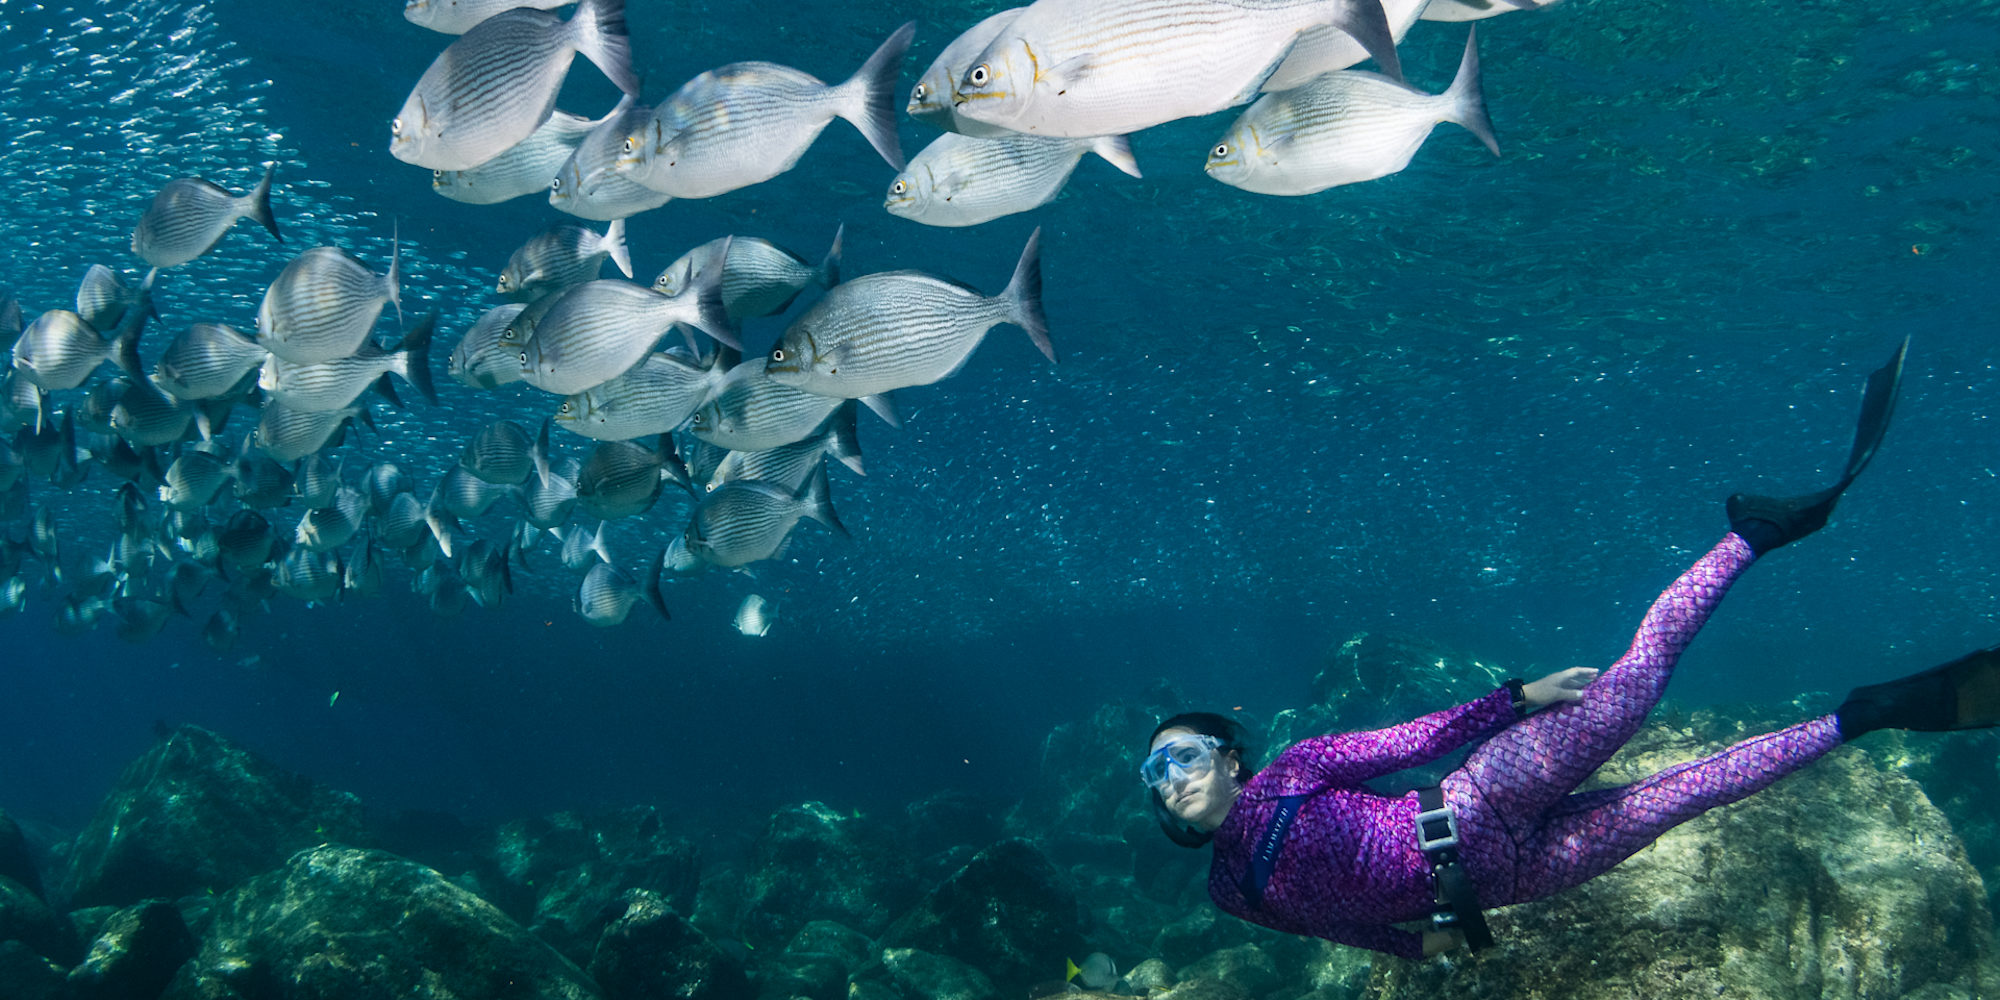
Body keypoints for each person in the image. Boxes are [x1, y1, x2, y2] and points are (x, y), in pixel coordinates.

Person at [1141, 339, 2000, 959]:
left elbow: (1410, 742)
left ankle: (1758, 532)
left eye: (1180, 755)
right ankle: (1869, 715)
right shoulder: (1230, 893)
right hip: (1516, 879)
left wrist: (1518, 698)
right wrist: (1422, 949)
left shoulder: (1293, 771)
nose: (1168, 778)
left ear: (1228, 755)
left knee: (1639, 683)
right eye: (1154, 773)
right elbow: (1342, 926)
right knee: (1690, 793)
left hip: (1479, 800)